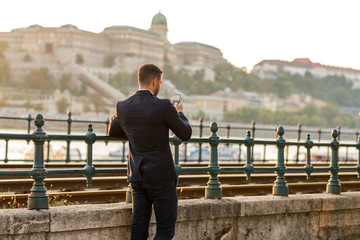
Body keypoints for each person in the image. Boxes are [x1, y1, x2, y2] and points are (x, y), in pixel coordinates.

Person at [109, 63, 192, 239]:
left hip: (137, 176)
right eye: (160, 82)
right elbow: (185, 133)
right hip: (161, 177)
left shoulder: (122, 106)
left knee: (139, 227)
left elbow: (113, 131)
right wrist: (179, 113)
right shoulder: (164, 106)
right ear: (155, 81)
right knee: (165, 229)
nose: (160, 85)